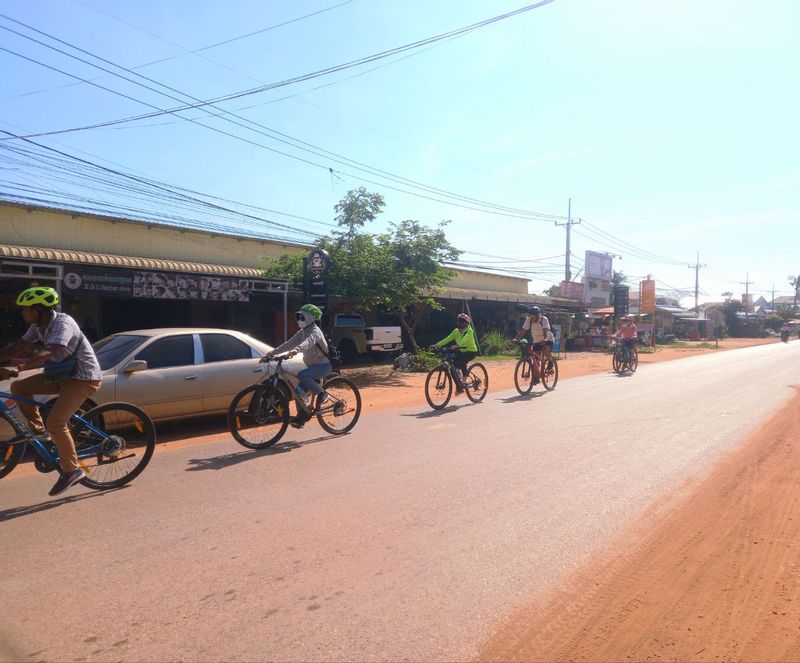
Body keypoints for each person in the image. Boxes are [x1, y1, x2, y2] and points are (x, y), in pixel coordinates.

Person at [0, 287, 102, 496]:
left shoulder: (63, 323)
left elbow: (49, 351)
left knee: (56, 423)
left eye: (26, 309)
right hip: (61, 376)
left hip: (83, 378)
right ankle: (39, 431)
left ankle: (72, 470)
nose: (22, 313)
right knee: (19, 387)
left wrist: (18, 368)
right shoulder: (38, 326)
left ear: (40, 309)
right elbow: (17, 347)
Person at [262, 304, 332, 428]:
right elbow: (288, 344)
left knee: (302, 375)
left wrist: (296, 350)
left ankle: (322, 394)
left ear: (310, 317)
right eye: (298, 317)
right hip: (312, 368)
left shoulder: (315, 331)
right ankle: (301, 418)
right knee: (299, 391)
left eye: (302, 317)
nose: (299, 320)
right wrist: (270, 353)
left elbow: (308, 343)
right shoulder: (302, 332)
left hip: (323, 366)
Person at [429, 313, 478, 393]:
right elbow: (447, 339)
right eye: (459, 322)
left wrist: (457, 345)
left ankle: (465, 379)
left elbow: (464, 340)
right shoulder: (456, 331)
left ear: (466, 324)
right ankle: (459, 387)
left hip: (471, 351)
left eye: (462, 322)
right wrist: (437, 345)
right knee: (452, 368)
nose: (460, 324)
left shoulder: (469, 332)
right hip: (461, 350)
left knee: (462, 361)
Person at [513, 306, 554, 374]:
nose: (532, 317)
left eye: (534, 315)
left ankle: (550, 362)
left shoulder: (544, 319)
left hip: (548, 339)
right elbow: (523, 330)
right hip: (537, 341)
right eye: (531, 316)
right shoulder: (529, 320)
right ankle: (536, 376)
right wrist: (516, 338)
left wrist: (545, 339)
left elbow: (545, 330)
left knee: (545, 349)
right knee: (534, 357)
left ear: (538, 315)